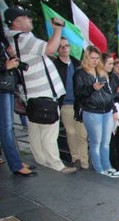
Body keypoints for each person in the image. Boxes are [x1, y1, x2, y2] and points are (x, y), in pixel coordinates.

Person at [5, 6, 77, 174]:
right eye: (26, 17)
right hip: (43, 92)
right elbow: (51, 49)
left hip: (33, 93)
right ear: (16, 22)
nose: (30, 19)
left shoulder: (15, 38)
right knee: (49, 131)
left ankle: (42, 161)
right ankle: (55, 165)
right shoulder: (23, 38)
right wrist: (57, 30)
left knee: (36, 130)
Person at [74, 46, 119, 177]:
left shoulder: (101, 72)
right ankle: (99, 170)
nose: (94, 61)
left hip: (107, 111)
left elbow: (108, 93)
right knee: (96, 142)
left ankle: (107, 166)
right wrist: (92, 88)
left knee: (106, 142)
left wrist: (113, 109)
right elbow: (78, 93)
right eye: (92, 58)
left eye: (97, 58)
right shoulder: (80, 73)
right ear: (86, 58)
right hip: (92, 111)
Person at [0, 30, 34, 176]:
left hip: (7, 86)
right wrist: (5, 66)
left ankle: (16, 161)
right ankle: (15, 164)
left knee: (7, 127)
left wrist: (12, 56)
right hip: (2, 87)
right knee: (6, 128)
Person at [53, 37, 88, 169]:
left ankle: (84, 161)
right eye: (61, 46)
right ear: (57, 50)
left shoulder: (77, 63)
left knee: (82, 134)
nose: (65, 48)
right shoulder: (55, 65)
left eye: (67, 45)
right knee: (71, 132)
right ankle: (76, 158)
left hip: (80, 103)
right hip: (66, 104)